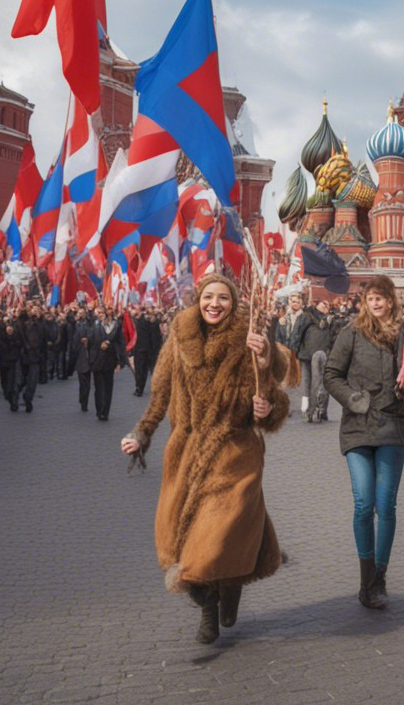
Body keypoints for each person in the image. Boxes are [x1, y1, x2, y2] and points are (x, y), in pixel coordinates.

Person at [120, 274, 290, 644]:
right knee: (186, 543)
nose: (215, 304)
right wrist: (141, 433)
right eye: (208, 297)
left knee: (219, 535)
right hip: (186, 452)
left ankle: (230, 588)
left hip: (234, 453)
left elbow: (273, 397)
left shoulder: (250, 340)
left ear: (233, 303)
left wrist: (265, 402)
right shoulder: (178, 340)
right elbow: (159, 396)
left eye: (224, 298)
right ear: (198, 301)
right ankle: (209, 604)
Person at [325, 276, 404, 610]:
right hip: (358, 426)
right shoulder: (351, 334)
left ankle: (379, 577)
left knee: (387, 505)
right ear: (364, 301)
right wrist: (352, 399)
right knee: (364, 503)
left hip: (394, 425)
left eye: (382, 297)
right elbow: (331, 374)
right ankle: (365, 576)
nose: (376, 303)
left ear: (391, 300)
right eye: (371, 297)